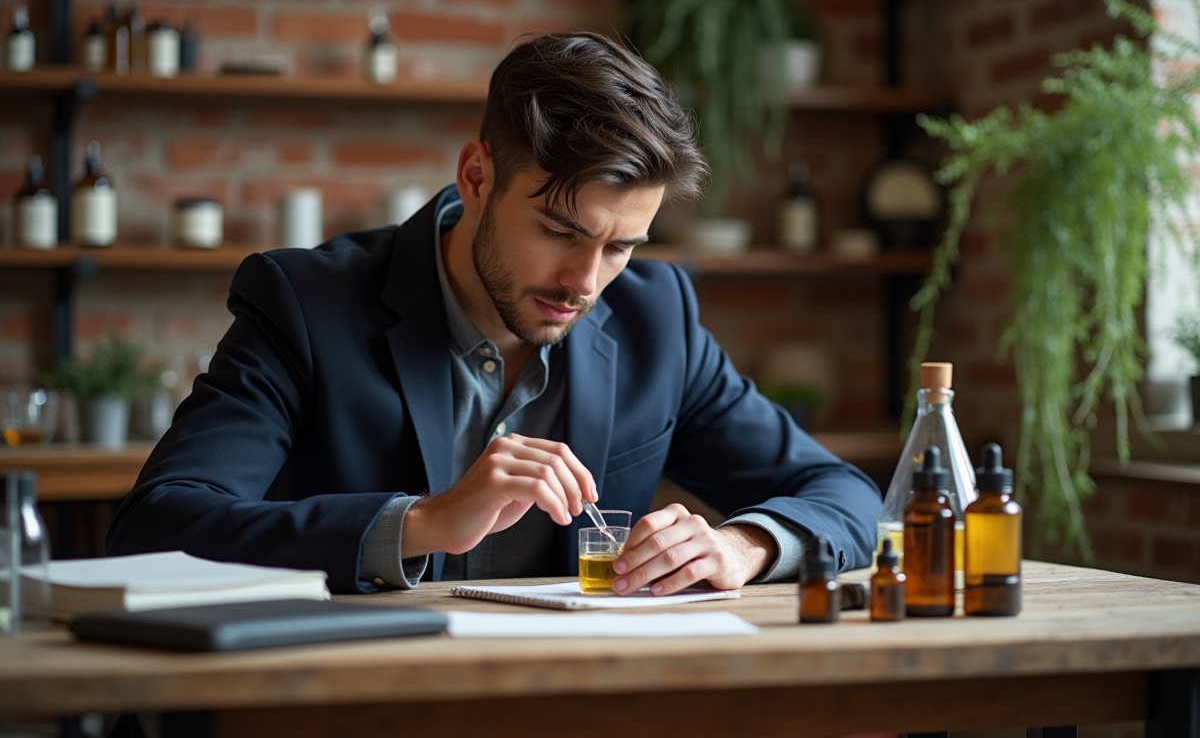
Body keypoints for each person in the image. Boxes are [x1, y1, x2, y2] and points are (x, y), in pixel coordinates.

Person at [106, 32, 882, 595]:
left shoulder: (658, 319)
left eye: (621, 248)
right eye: (560, 231)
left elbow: (842, 493)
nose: (585, 281)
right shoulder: (305, 304)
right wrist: (421, 523)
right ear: (477, 176)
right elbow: (157, 525)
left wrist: (742, 545)